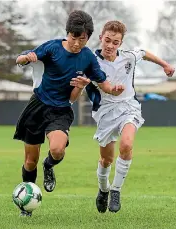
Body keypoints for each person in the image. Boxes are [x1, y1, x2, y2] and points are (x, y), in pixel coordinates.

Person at [14, 10, 124, 217]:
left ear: (88, 38)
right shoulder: (53, 47)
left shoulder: (88, 58)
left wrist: (113, 89)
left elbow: (104, 83)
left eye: (82, 39)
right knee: (30, 161)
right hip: (37, 106)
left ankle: (49, 166)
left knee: (57, 150)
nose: (76, 43)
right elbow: (21, 59)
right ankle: (26, 205)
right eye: (74, 38)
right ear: (68, 34)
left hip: (61, 110)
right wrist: (24, 58)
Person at [84, 21, 175, 213]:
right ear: (101, 38)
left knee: (126, 144)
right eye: (107, 40)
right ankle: (103, 189)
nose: (110, 45)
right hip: (105, 112)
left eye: (115, 42)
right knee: (106, 159)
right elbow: (101, 84)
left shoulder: (128, 58)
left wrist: (165, 65)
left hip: (128, 107)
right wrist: (110, 88)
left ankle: (116, 190)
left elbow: (143, 52)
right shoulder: (90, 61)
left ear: (121, 43)